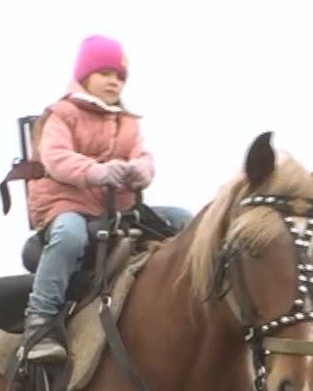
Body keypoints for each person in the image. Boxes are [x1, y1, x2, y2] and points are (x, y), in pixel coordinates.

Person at [22, 34, 192, 363]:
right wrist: (95, 171)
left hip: (119, 208)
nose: (114, 82)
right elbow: (54, 157)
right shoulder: (62, 114)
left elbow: (143, 156)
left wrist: (141, 170)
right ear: (85, 76)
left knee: (184, 220)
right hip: (66, 204)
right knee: (69, 237)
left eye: (119, 76)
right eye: (105, 73)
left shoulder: (127, 122)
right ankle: (40, 319)